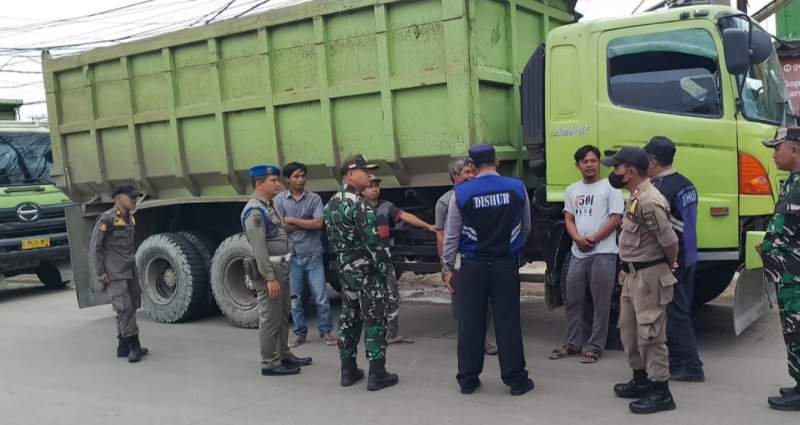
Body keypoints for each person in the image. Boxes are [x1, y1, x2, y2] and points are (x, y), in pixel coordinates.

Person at [442, 144, 534, 396]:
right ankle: (516, 380)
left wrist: (447, 266)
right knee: (508, 321)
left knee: (470, 322)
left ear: (472, 166)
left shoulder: (461, 193)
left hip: (473, 266)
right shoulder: (517, 187)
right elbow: (526, 227)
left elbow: (452, 235)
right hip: (505, 264)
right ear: (497, 162)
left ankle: (468, 380)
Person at [602, 147, 679, 414]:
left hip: (649, 277)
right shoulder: (636, 196)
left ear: (631, 171)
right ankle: (641, 379)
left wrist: (664, 266)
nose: (614, 172)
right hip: (632, 275)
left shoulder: (649, 201)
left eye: (617, 167)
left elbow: (669, 242)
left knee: (651, 334)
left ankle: (661, 391)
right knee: (629, 331)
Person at [324, 154, 399, 391]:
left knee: (349, 318)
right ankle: (377, 373)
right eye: (364, 172)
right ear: (350, 174)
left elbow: (332, 240)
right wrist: (385, 270)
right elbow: (374, 243)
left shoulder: (330, 204)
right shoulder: (360, 204)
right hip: (367, 272)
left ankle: (348, 370)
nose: (369, 175)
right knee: (375, 318)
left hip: (346, 272)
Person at [550, 145, 623, 364]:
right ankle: (573, 342)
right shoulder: (572, 190)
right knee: (573, 299)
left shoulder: (610, 188)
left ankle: (595, 346)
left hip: (604, 253)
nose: (589, 165)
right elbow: (569, 218)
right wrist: (577, 238)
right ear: (577, 165)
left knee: (601, 302)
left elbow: (616, 218)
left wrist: (594, 238)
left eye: (593, 160)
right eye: (585, 161)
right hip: (578, 253)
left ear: (599, 163)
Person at [241, 165, 312, 377]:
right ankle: (270, 363)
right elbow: (259, 249)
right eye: (273, 181)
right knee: (270, 318)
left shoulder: (268, 206)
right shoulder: (255, 211)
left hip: (281, 266)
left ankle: (283, 354)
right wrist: (269, 278)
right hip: (270, 269)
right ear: (259, 184)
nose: (278, 184)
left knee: (282, 315)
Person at [644, 137, 704, 382]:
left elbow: (668, 231)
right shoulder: (686, 184)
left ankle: (690, 366)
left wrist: (667, 260)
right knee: (680, 311)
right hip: (690, 255)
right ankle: (678, 361)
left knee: (675, 314)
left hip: (674, 260)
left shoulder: (660, 189)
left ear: (652, 162)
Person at [362, 175, 436, 345]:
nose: (375, 189)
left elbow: (405, 216)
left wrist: (427, 225)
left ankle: (392, 334)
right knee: (370, 298)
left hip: (384, 259)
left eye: (376, 186)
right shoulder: (357, 208)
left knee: (392, 295)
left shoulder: (386, 206)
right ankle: (374, 334)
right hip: (365, 261)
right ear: (361, 190)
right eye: (370, 186)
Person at [435, 157, 497, 355]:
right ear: (455, 176)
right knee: (463, 307)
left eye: (473, 172)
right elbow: (442, 236)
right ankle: (469, 344)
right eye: (466, 173)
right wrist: (446, 267)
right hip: (459, 261)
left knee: (486, 304)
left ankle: (481, 339)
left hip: (480, 258)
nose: (471, 176)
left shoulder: (481, 196)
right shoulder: (445, 202)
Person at [759, 126, 800, 411]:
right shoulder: (792, 182)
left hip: (796, 275)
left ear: (795, 149)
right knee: (793, 331)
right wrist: (769, 245)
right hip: (787, 275)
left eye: (777, 148)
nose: (774, 154)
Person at [274, 162, 336, 348]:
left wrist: (292, 220)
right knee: (295, 298)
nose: (301, 180)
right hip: (292, 256)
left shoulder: (314, 198)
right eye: (296, 176)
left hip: (313, 254)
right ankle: (300, 334)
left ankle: (326, 332)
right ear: (287, 179)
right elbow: (280, 228)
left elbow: (318, 224)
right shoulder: (279, 200)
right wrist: (306, 222)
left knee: (321, 297)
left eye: (303, 176)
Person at [90, 184, 148, 363]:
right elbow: (96, 247)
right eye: (130, 197)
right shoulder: (107, 219)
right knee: (125, 309)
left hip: (130, 271)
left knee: (130, 307)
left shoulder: (129, 218)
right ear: (118, 199)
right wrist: (101, 272)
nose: (134, 200)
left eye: (135, 197)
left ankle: (122, 347)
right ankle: (134, 347)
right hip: (115, 274)